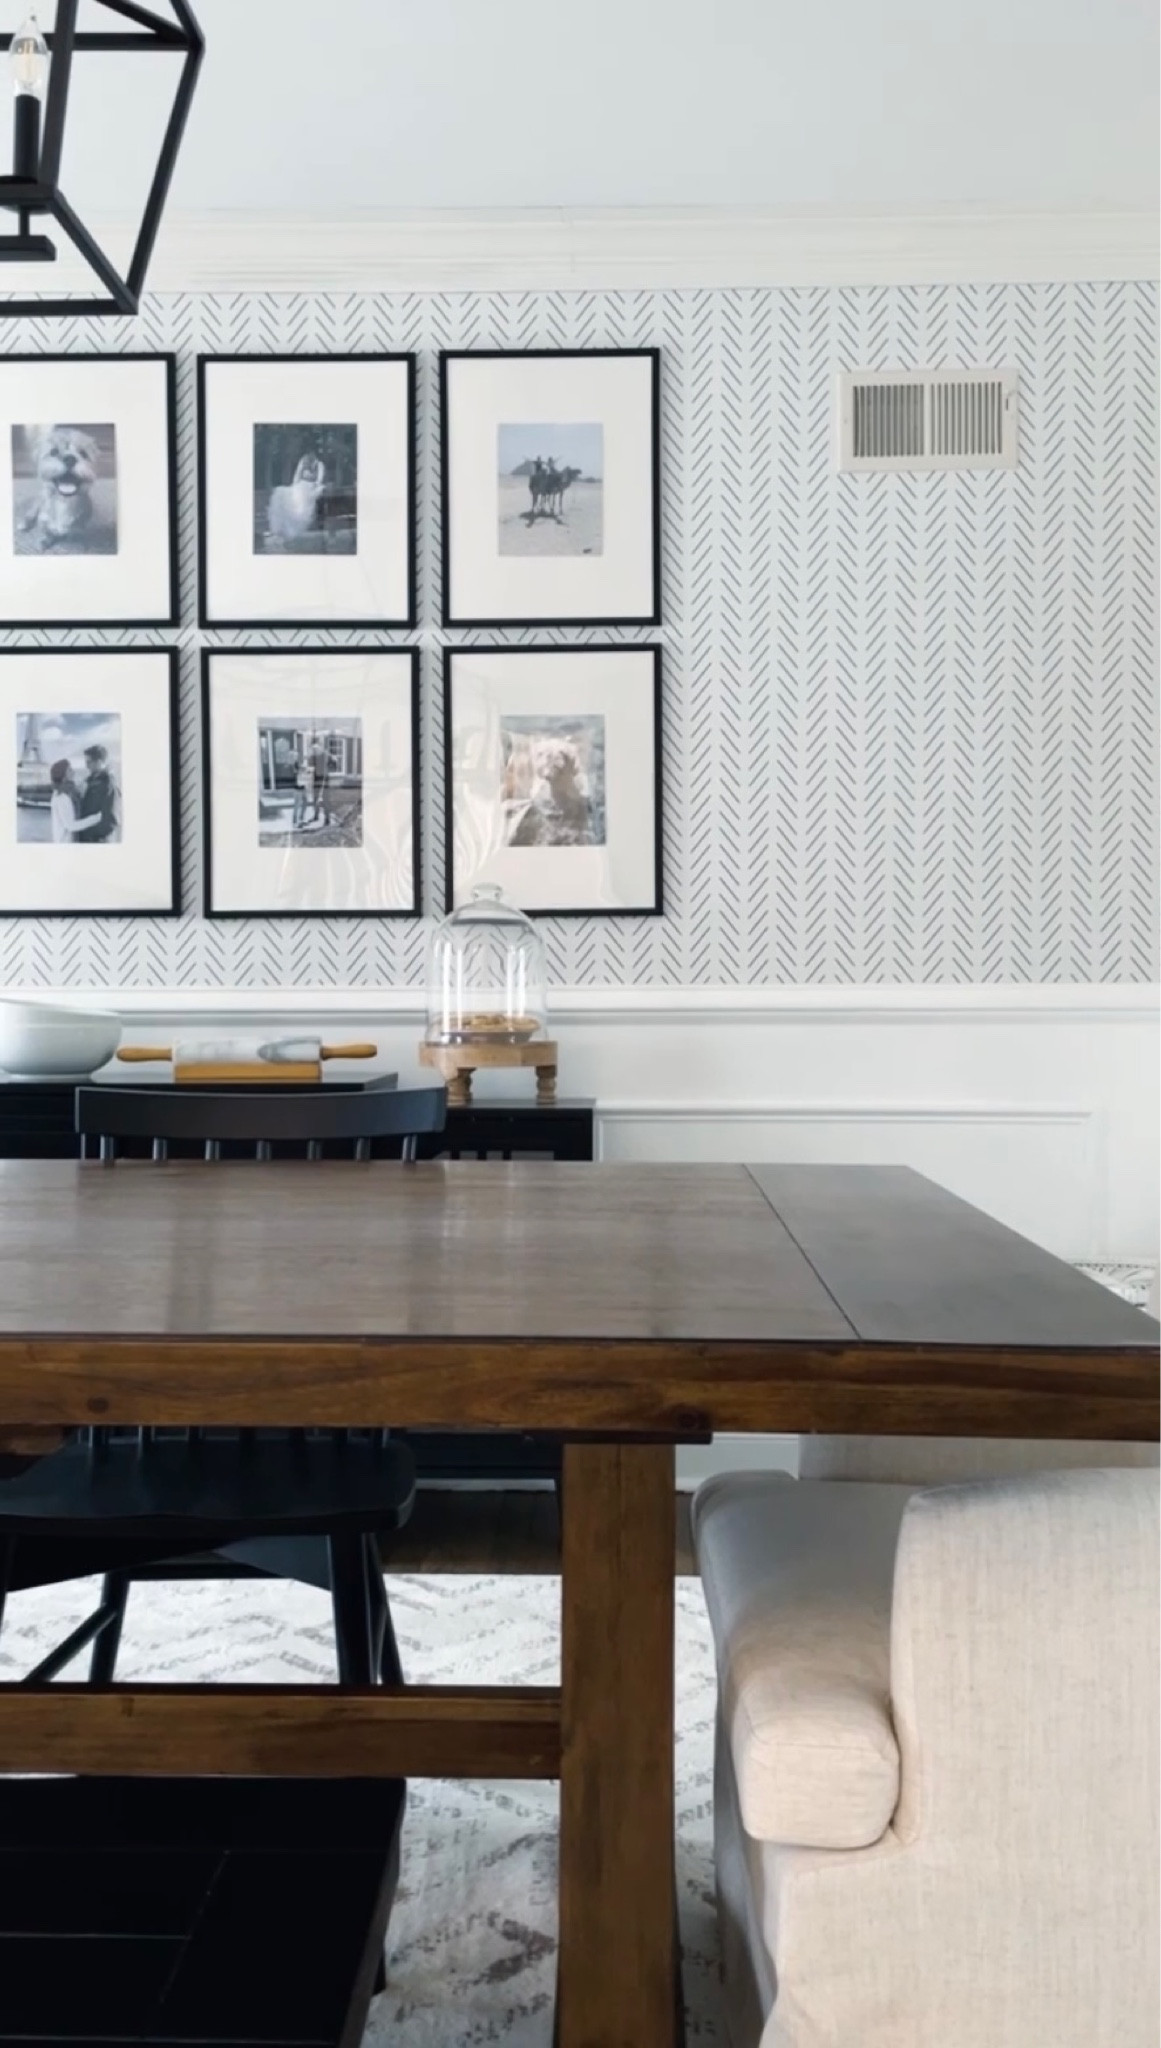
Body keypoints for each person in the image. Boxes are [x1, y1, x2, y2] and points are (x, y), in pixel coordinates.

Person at [48, 758, 104, 843]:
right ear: (63, 775)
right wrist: (98, 817)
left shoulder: (67, 791)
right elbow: (71, 826)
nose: (73, 771)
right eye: (69, 769)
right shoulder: (61, 797)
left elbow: (81, 788)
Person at [76, 743, 120, 844]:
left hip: (96, 841)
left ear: (99, 762)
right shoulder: (88, 782)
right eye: (85, 762)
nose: (86, 765)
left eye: (89, 762)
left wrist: (90, 836)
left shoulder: (109, 785)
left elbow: (111, 821)